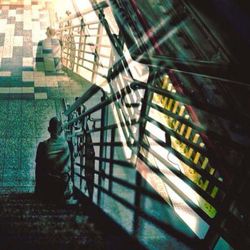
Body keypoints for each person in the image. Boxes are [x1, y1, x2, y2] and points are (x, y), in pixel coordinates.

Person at [35, 117, 77, 205]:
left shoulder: (42, 146)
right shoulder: (68, 145)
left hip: (47, 189)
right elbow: (71, 166)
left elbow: (38, 169)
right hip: (63, 189)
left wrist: (38, 190)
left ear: (49, 130)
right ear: (61, 130)